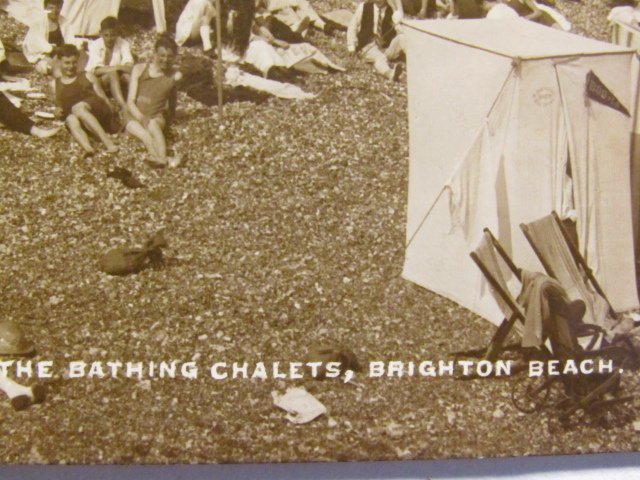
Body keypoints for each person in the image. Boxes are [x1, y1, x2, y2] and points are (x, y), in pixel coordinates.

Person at [125, 36, 183, 168]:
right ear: (155, 54)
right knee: (145, 135)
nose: (165, 59)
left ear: (174, 57)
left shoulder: (174, 76)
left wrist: (171, 119)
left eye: (169, 56)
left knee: (153, 124)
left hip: (156, 116)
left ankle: (161, 159)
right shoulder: (140, 69)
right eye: (162, 55)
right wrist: (141, 118)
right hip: (134, 115)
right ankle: (165, 159)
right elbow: (130, 101)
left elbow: (173, 98)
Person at [53, 44, 119, 156]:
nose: (71, 66)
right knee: (70, 119)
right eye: (67, 63)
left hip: (97, 112)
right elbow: (59, 105)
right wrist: (57, 112)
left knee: (78, 108)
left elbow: (102, 97)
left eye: (74, 62)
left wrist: (113, 113)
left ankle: (108, 143)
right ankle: (88, 148)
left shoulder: (87, 76)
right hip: (81, 120)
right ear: (59, 62)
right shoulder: (56, 83)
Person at [347, 0, 405, 82]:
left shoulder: (391, 10)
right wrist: (351, 45)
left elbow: (399, 31)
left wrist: (399, 23)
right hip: (368, 46)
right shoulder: (364, 6)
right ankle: (390, 73)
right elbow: (353, 25)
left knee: (402, 38)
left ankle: (414, 60)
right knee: (379, 58)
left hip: (385, 47)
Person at [85, 16, 134, 111]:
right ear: (100, 34)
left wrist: (117, 68)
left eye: (112, 35)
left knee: (127, 76)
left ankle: (136, 101)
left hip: (116, 82)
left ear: (117, 34)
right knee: (112, 74)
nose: (109, 39)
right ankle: (124, 107)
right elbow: (96, 71)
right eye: (106, 35)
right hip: (96, 82)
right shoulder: (95, 45)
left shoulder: (123, 43)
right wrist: (118, 67)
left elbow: (131, 68)